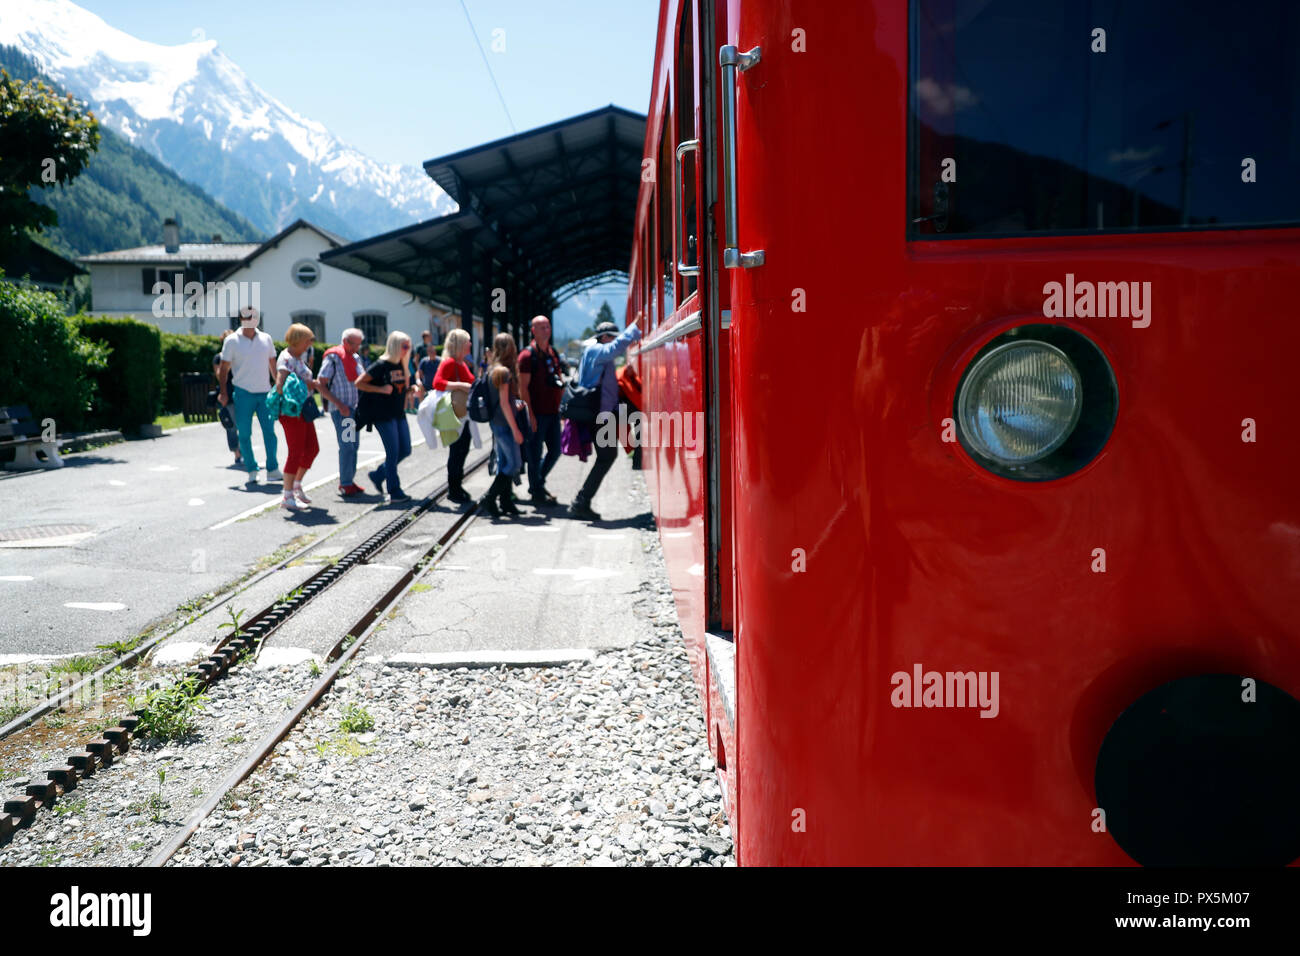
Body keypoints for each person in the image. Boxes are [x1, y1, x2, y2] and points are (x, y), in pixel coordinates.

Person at [569, 317, 643, 521]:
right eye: (613, 337)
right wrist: (634, 328)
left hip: (605, 412)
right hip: (600, 416)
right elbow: (613, 349)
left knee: (635, 416)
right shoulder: (596, 350)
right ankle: (580, 502)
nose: (615, 341)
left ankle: (638, 455)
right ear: (604, 337)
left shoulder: (597, 353)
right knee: (607, 456)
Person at [216, 306, 281, 486]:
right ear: (241, 319)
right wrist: (223, 392)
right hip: (243, 393)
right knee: (244, 433)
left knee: (270, 432)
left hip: (265, 392)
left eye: (254, 316)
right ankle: (252, 470)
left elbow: (273, 366)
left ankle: (273, 468)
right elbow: (224, 369)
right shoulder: (231, 341)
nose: (251, 319)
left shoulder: (266, 339)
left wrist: (279, 387)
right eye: (247, 317)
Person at [356, 330, 414, 502]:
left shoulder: (402, 365)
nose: (407, 349)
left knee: (405, 450)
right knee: (393, 452)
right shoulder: (381, 365)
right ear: (395, 346)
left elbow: (400, 388)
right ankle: (394, 490)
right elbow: (359, 383)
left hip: (398, 413)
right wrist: (380, 389)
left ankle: (378, 475)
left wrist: (412, 389)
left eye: (408, 346)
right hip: (383, 415)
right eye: (404, 346)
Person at [518, 315, 568, 505]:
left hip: (553, 412)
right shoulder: (527, 356)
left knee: (556, 450)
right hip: (537, 413)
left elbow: (559, 378)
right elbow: (523, 388)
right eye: (541, 327)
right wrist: (530, 415)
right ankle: (537, 492)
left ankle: (537, 483)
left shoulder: (553, 352)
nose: (546, 330)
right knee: (534, 453)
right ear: (533, 330)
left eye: (547, 327)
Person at [478, 332, 526, 519]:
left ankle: (506, 502)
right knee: (514, 463)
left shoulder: (492, 369)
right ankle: (489, 498)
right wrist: (516, 430)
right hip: (504, 424)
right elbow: (505, 403)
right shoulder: (503, 372)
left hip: (497, 423)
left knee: (505, 463)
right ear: (510, 348)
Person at [274, 324, 321, 511]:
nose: (310, 343)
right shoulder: (286, 359)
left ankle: (296, 486)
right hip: (292, 411)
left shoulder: (298, 357)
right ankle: (287, 495)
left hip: (304, 410)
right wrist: (304, 386)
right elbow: (280, 384)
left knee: (312, 448)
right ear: (299, 339)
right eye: (308, 339)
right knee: (296, 452)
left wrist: (308, 384)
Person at [315, 327, 366, 496]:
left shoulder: (355, 357)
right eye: (354, 344)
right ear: (345, 342)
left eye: (359, 344)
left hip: (355, 410)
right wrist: (339, 404)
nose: (357, 348)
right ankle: (345, 483)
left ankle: (349, 480)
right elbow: (320, 384)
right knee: (347, 447)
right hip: (343, 411)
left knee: (354, 446)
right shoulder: (333, 357)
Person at [429, 328, 476, 503]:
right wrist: (462, 385)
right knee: (457, 451)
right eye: (467, 341)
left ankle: (456, 485)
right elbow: (437, 383)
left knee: (461, 450)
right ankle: (454, 489)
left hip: (463, 414)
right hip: (456, 415)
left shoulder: (462, 363)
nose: (470, 344)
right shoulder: (451, 363)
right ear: (459, 345)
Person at [212, 329, 241, 467]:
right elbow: (219, 375)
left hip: (240, 392)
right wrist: (226, 363)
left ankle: (243, 450)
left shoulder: (239, 356)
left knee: (242, 424)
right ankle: (236, 452)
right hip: (227, 395)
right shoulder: (219, 358)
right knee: (231, 425)